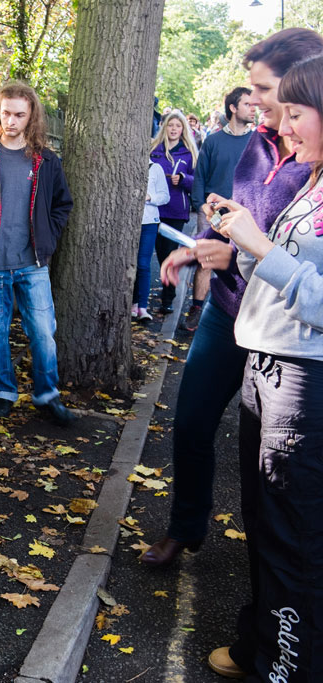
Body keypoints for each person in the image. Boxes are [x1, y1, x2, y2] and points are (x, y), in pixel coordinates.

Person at [144, 27, 323, 681]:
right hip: (239, 318)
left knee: (282, 511)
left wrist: (247, 246)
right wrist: (210, 243)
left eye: (271, 94)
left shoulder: (310, 155)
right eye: (251, 91)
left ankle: (279, 644)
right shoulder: (262, 147)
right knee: (209, 440)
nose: (256, 104)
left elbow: (295, 266)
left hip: (291, 352)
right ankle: (251, 620)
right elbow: (244, 219)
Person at [208, 52, 323, 683]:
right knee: (264, 523)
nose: (281, 125)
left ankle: (285, 669)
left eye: (295, 112)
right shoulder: (311, 178)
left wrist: (260, 249)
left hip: (303, 382)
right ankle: (263, 650)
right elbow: (280, 274)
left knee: (293, 542)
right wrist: (233, 252)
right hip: (268, 367)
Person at [0, 81, 76, 426]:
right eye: (6, 113)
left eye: (19, 115)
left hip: (32, 263)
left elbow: (62, 204)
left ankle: (46, 395)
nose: (11, 121)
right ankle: (4, 393)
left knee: (42, 333)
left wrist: (48, 236)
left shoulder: (46, 161)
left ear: (31, 116)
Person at [184, 87, 254, 332]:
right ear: (233, 108)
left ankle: (239, 315)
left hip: (245, 215)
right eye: (247, 104)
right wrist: (200, 206)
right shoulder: (213, 141)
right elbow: (200, 177)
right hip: (213, 212)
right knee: (206, 262)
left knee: (244, 263)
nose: (253, 107)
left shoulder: (256, 142)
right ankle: (196, 308)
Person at [150, 111, 199, 314]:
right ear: (165, 127)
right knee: (155, 254)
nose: (173, 129)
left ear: (183, 130)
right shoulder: (154, 149)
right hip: (153, 209)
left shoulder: (189, 153)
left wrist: (183, 179)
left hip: (175, 210)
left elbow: (197, 182)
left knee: (169, 254)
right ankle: (141, 299)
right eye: (170, 125)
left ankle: (168, 298)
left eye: (178, 126)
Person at [132, 161, 171, 321]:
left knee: (143, 264)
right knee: (128, 263)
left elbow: (165, 196)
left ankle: (142, 307)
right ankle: (132, 303)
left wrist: (149, 197)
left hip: (148, 223)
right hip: (128, 222)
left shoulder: (155, 168)